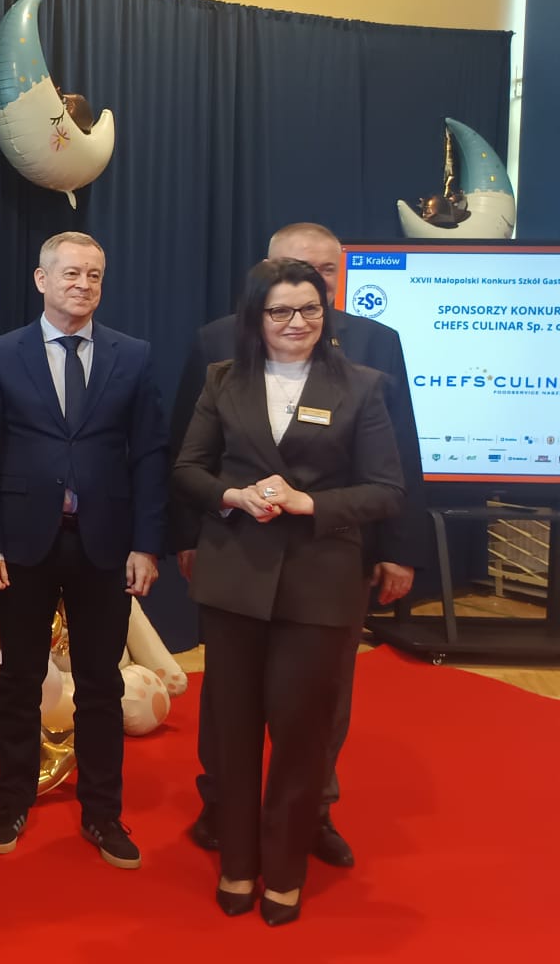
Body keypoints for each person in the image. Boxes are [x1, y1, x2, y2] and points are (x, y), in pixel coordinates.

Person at [170, 221, 428, 870]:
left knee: (320, 699)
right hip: (236, 554)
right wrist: (190, 534)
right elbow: (188, 454)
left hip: (330, 560)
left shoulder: (377, 347)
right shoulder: (217, 346)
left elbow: (400, 460)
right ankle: (222, 806)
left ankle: (311, 812)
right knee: (229, 702)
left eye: (323, 275)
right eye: (289, 276)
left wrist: (398, 550)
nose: (299, 308)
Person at [0, 231, 167, 870]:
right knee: (20, 679)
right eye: (71, 273)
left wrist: (147, 545)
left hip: (105, 546)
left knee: (101, 683)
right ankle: (12, 801)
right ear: (42, 279)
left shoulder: (133, 356)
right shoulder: (1, 355)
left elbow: (151, 457)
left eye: (94, 275)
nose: (83, 285)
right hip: (22, 546)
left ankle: (103, 812)